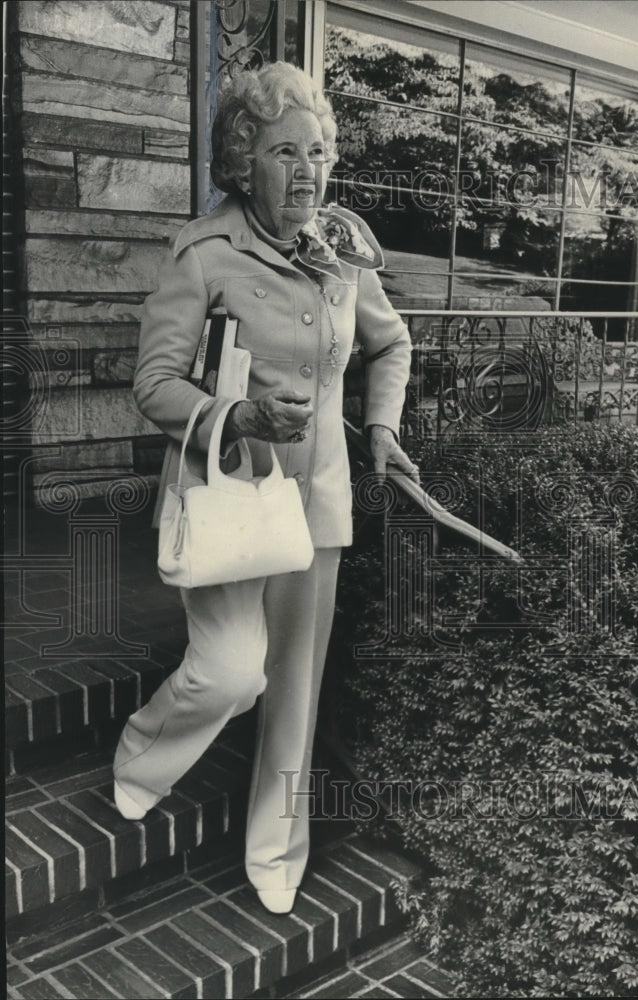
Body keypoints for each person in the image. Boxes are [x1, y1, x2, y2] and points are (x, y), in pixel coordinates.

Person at [113, 61, 417, 915]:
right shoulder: (204, 251)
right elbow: (153, 384)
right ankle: (143, 753)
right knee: (230, 672)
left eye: (318, 152)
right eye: (287, 152)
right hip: (227, 496)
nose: (309, 171)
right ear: (244, 163)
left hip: (314, 505)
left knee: (294, 688)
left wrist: (382, 428)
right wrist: (237, 415)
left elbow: (391, 344)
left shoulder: (342, 251)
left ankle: (276, 852)